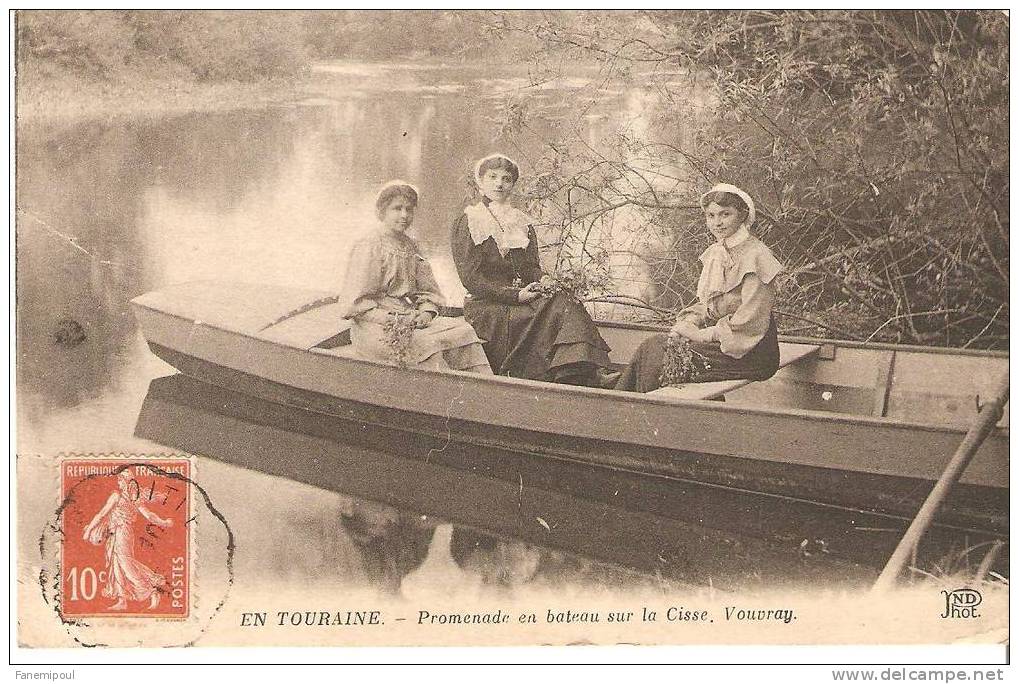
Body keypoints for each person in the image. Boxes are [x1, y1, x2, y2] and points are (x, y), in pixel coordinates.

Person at [450, 154, 615, 386]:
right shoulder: (470, 220)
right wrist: (515, 295)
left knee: (565, 299)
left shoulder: (520, 221)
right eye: (493, 177)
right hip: (487, 307)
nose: (499, 183)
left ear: (513, 185)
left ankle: (582, 371)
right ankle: (580, 373)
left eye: (506, 179)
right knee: (555, 308)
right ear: (480, 182)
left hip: (521, 296)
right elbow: (471, 279)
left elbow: (529, 268)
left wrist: (544, 278)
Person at [615, 183, 784, 392]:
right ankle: (619, 402)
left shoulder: (757, 256)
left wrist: (698, 335)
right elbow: (711, 304)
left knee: (657, 353)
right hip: (726, 341)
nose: (717, 223)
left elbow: (750, 324)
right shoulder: (718, 252)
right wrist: (688, 321)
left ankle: (628, 410)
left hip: (749, 351)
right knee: (652, 347)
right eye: (711, 216)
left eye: (725, 214)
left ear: (742, 215)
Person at [340, 181, 492, 374]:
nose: (404, 215)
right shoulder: (369, 245)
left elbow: (429, 292)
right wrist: (395, 319)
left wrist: (426, 313)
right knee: (430, 345)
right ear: (382, 211)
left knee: (465, 333)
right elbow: (357, 304)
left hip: (409, 317)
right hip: (374, 327)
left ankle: (482, 392)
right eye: (397, 209)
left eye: (409, 209)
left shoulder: (411, 246)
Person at [82, 469, 173, 611]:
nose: (118, 483)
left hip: (123, 532)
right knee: (116, 565)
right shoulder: (131, 498)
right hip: (115, 533)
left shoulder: (120, 497)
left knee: (125, 563)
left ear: (125, 483)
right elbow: (149, 516)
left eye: (120, 480)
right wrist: (164, 522)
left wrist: (164, 523)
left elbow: (102, 514)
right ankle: (122, 600)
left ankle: (150, 591)